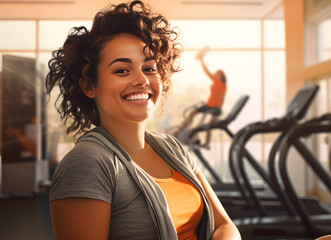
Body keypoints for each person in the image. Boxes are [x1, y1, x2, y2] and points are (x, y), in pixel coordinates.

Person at [45, 1, 240, 239]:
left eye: (149, 68)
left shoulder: (173, 148)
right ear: (88, 85)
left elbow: (225, 226)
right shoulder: (87, 164)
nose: (142, 80)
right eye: (122, 71)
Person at [173, 46, 227, 148]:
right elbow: (206, 71)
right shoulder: (215, 81)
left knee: (209, 126)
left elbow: (222, 99)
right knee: (193, 113)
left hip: (215, 108)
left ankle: (207, 143)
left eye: (217, 73)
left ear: (221, 76)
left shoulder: (223, 85)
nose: (215, 74)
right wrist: (201, 59)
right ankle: (178, 131)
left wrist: (218, 111)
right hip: (208, 105)